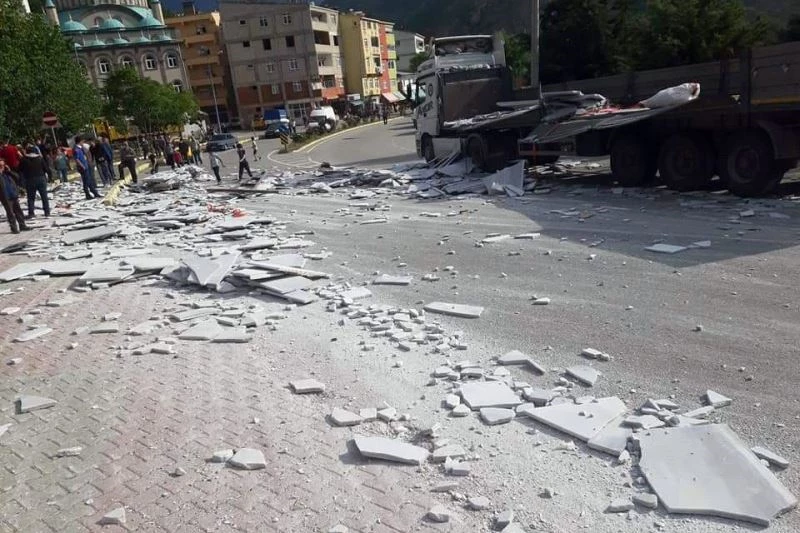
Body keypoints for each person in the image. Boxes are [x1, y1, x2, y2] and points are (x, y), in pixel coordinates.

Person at [18, 145, 50, 218]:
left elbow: (19, 169)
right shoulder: (40, 158)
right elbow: (46, 169)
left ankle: (31, 213)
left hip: (30, 180)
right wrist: (49, 176)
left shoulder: (24, 159)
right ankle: (47, 212)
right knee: (44, 196)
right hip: (41, 179)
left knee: (31, 198)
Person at [0, 158, 28, 233]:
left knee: (19, 211)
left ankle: (22, 225)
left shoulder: (8, 173)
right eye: (0, 166)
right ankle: (14, 228)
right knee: (10, 213)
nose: (2, 167)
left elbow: (17, 177)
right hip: (5, 197)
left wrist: (9, 171)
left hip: (13, 194)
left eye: (3, 165)